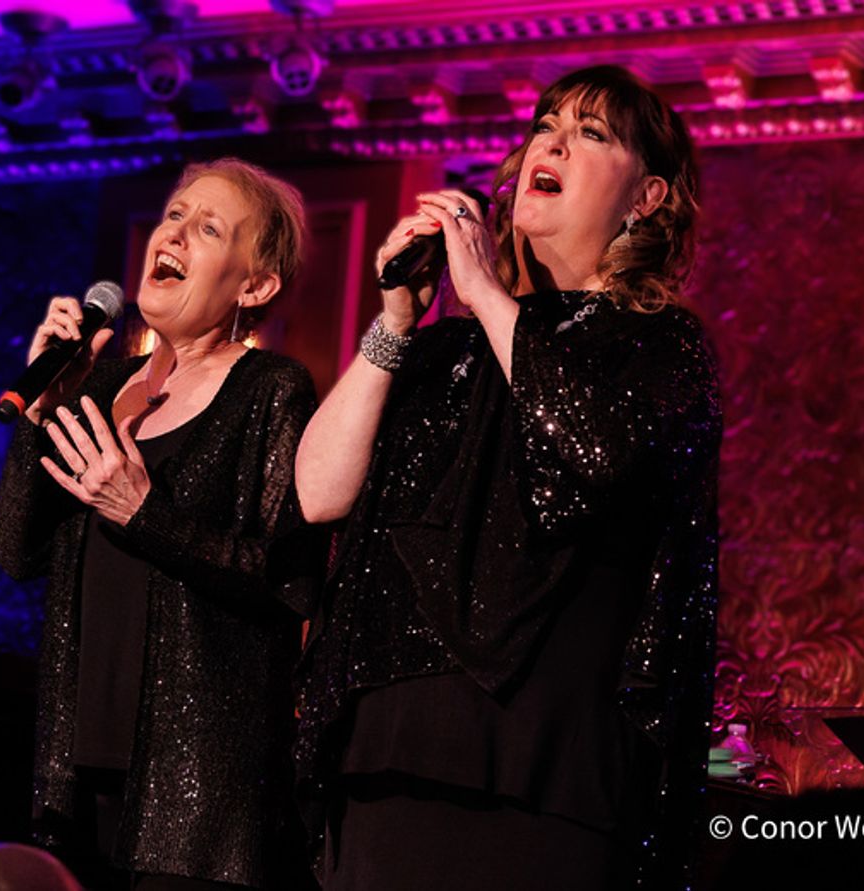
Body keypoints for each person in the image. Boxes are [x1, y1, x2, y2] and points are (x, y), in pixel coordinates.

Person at [293, 66, 722, 889]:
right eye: (545, 123)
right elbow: (318, 492)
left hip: (544, 770)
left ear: (647, 197)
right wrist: (393, 324)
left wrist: (487, 292)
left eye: (591, 133)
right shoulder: (449, 352)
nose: (551, 141)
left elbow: (593, 451)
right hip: (388, 753)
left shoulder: (661, 346)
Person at [0, 158, 322, 891]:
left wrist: (147, 517)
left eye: (208, 227)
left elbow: (288, 580)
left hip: (196, 795)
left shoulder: (271, 391)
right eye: (175, 214)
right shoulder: (102, 384)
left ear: (255, 284)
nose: (174, 232)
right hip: (81, 773)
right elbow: (16, 550)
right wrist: (41, 414)